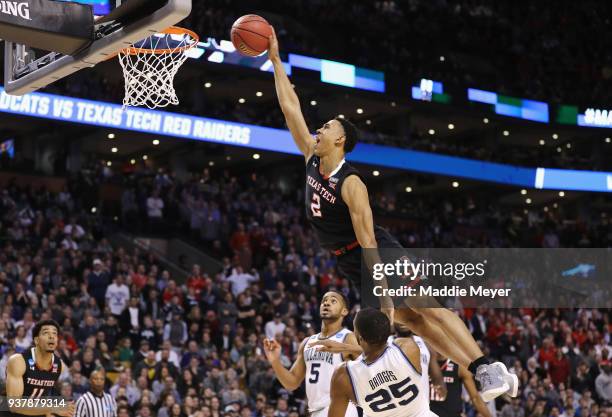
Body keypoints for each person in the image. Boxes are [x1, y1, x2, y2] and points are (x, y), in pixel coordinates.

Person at [267, 27, 517, 402]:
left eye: (327, 127)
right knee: (413, 323)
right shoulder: (310, 158)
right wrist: (273, 57)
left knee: (424, 307)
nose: (318, 129)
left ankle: (486, 365)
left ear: (340, 141)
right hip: (349, 260)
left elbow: (368, 243)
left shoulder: (351, 183)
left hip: (374, 252)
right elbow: (290, 107)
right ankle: (476, 371)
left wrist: (383, 298)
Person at [263, 291, 360, 417]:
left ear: (344, 311)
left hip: (342, 409)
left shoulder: (347, 337)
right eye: (324, 300)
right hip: (315, 411)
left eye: (333, 301)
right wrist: (275, 361)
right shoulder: (307, 342)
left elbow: (371, 364)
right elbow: (292, 383)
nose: (326, 303)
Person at [327, 308, 432, 417]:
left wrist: (345, 347)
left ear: (359, 337)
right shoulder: (408, 347)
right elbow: (380, 351)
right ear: (387, 330)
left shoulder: (343, 375)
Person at [3, 320, 76, 417]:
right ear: (36, 340)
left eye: (55, 333)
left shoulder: (59, 365)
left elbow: (43, 398)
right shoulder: (18, 361)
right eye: (46, 333)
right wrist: (52, 408)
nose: (52, 336)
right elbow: (14, 405)